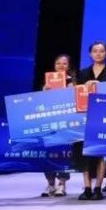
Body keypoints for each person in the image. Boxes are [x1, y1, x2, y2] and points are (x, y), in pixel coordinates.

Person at [74, 41, 106, 201]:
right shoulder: (82, 73)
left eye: (101, 51)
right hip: (85, 116)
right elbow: (75, 94)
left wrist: (101, 87)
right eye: (95, 51)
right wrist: (84, 86)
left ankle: (98, 188)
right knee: (86, 152)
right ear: (90, 54)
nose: (98, 54)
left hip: (104, 116)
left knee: (101, 151)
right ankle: (87, 187)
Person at [40, 54, 75, 197]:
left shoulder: (73, 82)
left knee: (63, 153)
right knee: (49, 152)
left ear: (69, 66)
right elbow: (40, 103)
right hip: (50, 122)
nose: (61, 66)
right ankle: (50, 184)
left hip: (65, 123)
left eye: (64, 63)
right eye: (58, 63)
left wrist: (71, 91)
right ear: (54, 66)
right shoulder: (48, 81)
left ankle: (62, 184)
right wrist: (44, 92)